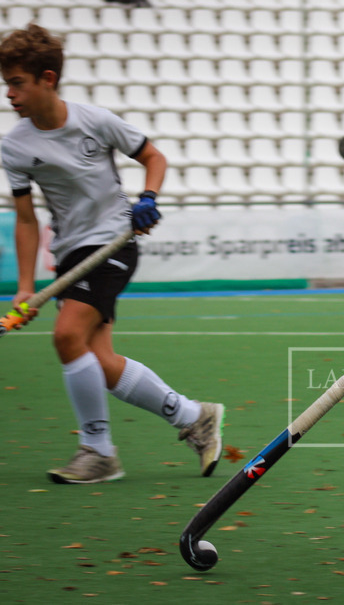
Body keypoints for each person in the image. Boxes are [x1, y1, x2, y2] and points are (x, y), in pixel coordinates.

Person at [0, 24, 222, 484]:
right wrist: (24, 288)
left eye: (17, 83)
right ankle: (194, 417)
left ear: (47, 79)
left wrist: (148, 198)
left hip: (113, 242)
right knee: (98, 360)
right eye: (7, 84)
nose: (9, 94)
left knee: (67, 337)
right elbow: (26, 219)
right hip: (70, 254)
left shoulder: (95, 121)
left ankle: (98, 451)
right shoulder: (15, 146)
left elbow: (154, 157)